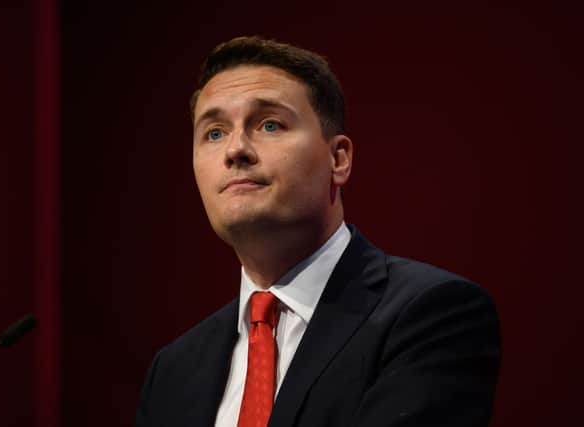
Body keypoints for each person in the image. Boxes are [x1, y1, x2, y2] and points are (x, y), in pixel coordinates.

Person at [136, 36, 501, 427]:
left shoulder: (430, 316)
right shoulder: (174, 370)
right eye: (214, 132)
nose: (235, 150)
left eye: (269, 124)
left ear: (338, 158)